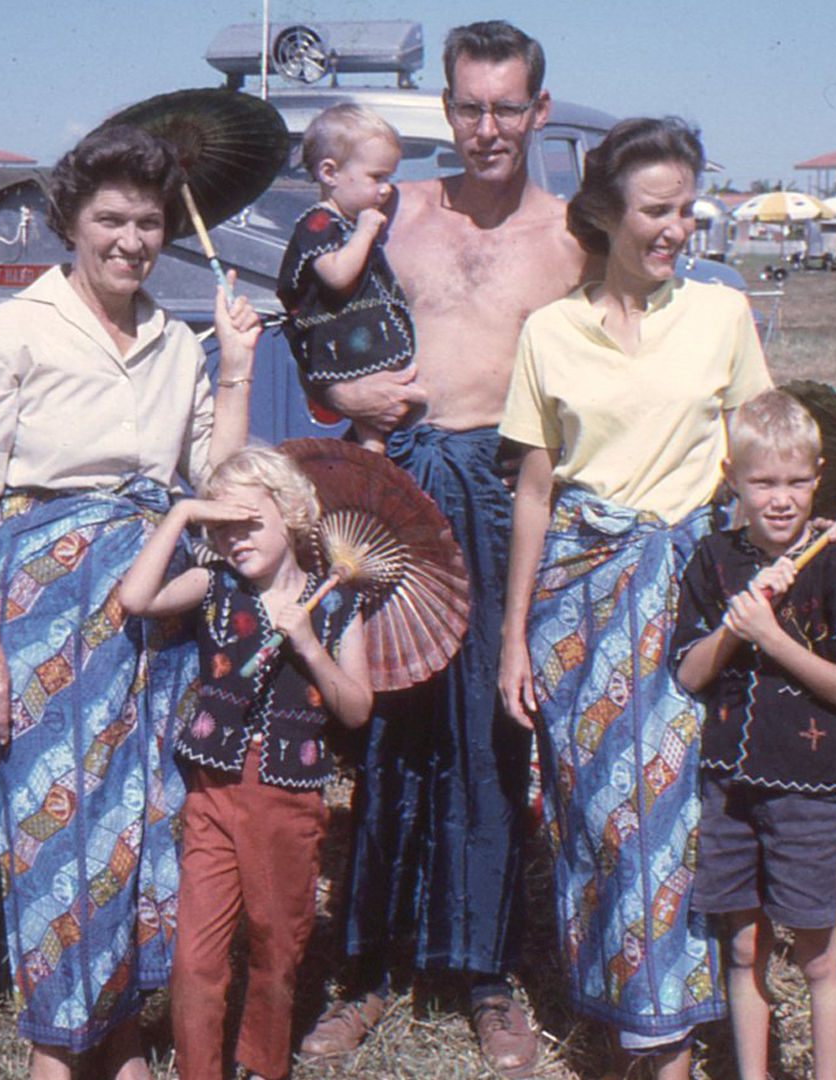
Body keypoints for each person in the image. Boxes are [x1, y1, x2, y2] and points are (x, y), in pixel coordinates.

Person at [298, 22, 589, 1076]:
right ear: (445, 107)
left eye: (508, 106)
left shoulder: (571, 237)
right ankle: (366, 969)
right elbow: (310, 321)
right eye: (469, 106)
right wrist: (340, 394)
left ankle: (485, 974)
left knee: (489, 737)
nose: (488, 127)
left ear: (539, 112)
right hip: (399, 485)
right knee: (383, 729)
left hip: (503, 493)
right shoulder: (395, 209)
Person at [0, 125, 261, 1080]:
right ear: (68, 224)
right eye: (111, 219)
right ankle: (56, 1051)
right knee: (55, 835)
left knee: (139, 827)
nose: (131, 239)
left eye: (149, 222)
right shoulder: (18, 329)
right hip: (42, 619)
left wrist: (236, 365)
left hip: (152, 613)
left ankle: (117, 1046)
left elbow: (224, 477)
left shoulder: (175, 341)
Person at [497, 116, 771, 1080]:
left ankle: (667, 1041)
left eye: (688, 210)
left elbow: (758, 463)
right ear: (606, 215)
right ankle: (620, 1005)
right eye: (657, 210)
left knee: (673, 818)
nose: (677, 229)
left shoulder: (723, 318)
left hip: (686, 600)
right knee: (598, 816)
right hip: (576, 602)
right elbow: (534, 493)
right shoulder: (548, 332)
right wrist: (514, 639)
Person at [116, 447, 372, 1080]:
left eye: (248, 522)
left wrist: (309, 645)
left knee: (276, 946)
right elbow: (137, 596)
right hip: (212, 791)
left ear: (290, 514)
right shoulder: (214, 586)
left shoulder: (336, 606)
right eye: (221, 527)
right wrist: (182, 516)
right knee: (195, 960)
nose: (234, 540)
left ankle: (261, 1064)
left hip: (286, 800)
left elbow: (358, 708)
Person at [672, 391, 836, 1080]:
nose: (780, 500)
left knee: (816, 953)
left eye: (798, 482)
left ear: (820, 478)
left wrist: (771, 638)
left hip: (810, 788)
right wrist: (733, 629)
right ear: (732, 479)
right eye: (763, 482)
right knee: (743, 951)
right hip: (730, 790)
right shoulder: (713, 560)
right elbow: (689, 675)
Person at [276, 104, 415, 451]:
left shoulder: (347, 222)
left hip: (358, 333)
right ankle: (372, 455)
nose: (386, 190)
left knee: (376, 426)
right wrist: (366, 232)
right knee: (375, 403)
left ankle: (372, 453)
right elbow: (337, 276)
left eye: (390, 178)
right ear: (330, 173)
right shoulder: (317, 223)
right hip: (340, 334)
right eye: (377, 177)